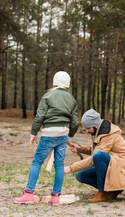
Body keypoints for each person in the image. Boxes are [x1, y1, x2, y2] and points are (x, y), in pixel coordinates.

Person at [14, 71, 78, 206]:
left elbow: (39, 117)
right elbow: (75, 122)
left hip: (49, 133)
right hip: (62, 134)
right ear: (67, 84)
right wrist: (70, 134)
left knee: (37, 162)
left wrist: (33, 133)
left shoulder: (48, 96)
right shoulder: (71, 99)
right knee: (59, 165)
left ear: (55, 82)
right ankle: (55, 198)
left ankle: (28, 194)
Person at [64, 109, 125, 202]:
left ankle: (104, 192)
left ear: (95, 125)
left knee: (98, 156)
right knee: (81, 175)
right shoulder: (100, 131)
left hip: (121, 169)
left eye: (88, 128)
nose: (86, 131)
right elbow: (96, 150)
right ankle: (113, 190)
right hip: (113, 165)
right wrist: (80, 148)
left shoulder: (108, 134)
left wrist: (70, 167)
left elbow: (95, 157)